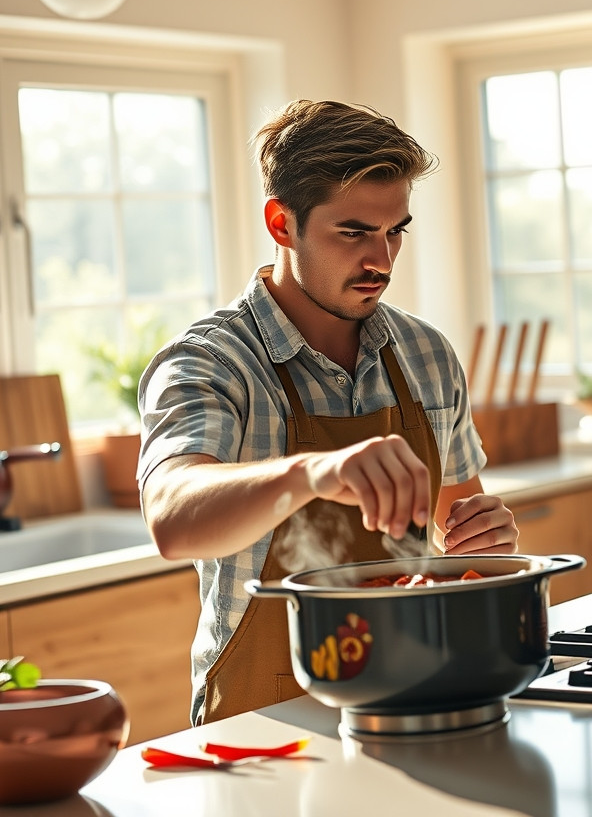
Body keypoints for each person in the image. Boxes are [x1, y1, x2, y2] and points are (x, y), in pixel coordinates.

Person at [138, 100, 518, 725]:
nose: (383, 261)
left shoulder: (425, 353)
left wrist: (488, 542)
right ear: (281, 223)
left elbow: (460, 539)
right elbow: (172, 518)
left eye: (395, 230)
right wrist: (309, 473)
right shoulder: (211, 360)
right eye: (354, 232)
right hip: (267, 720)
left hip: (418, 697)